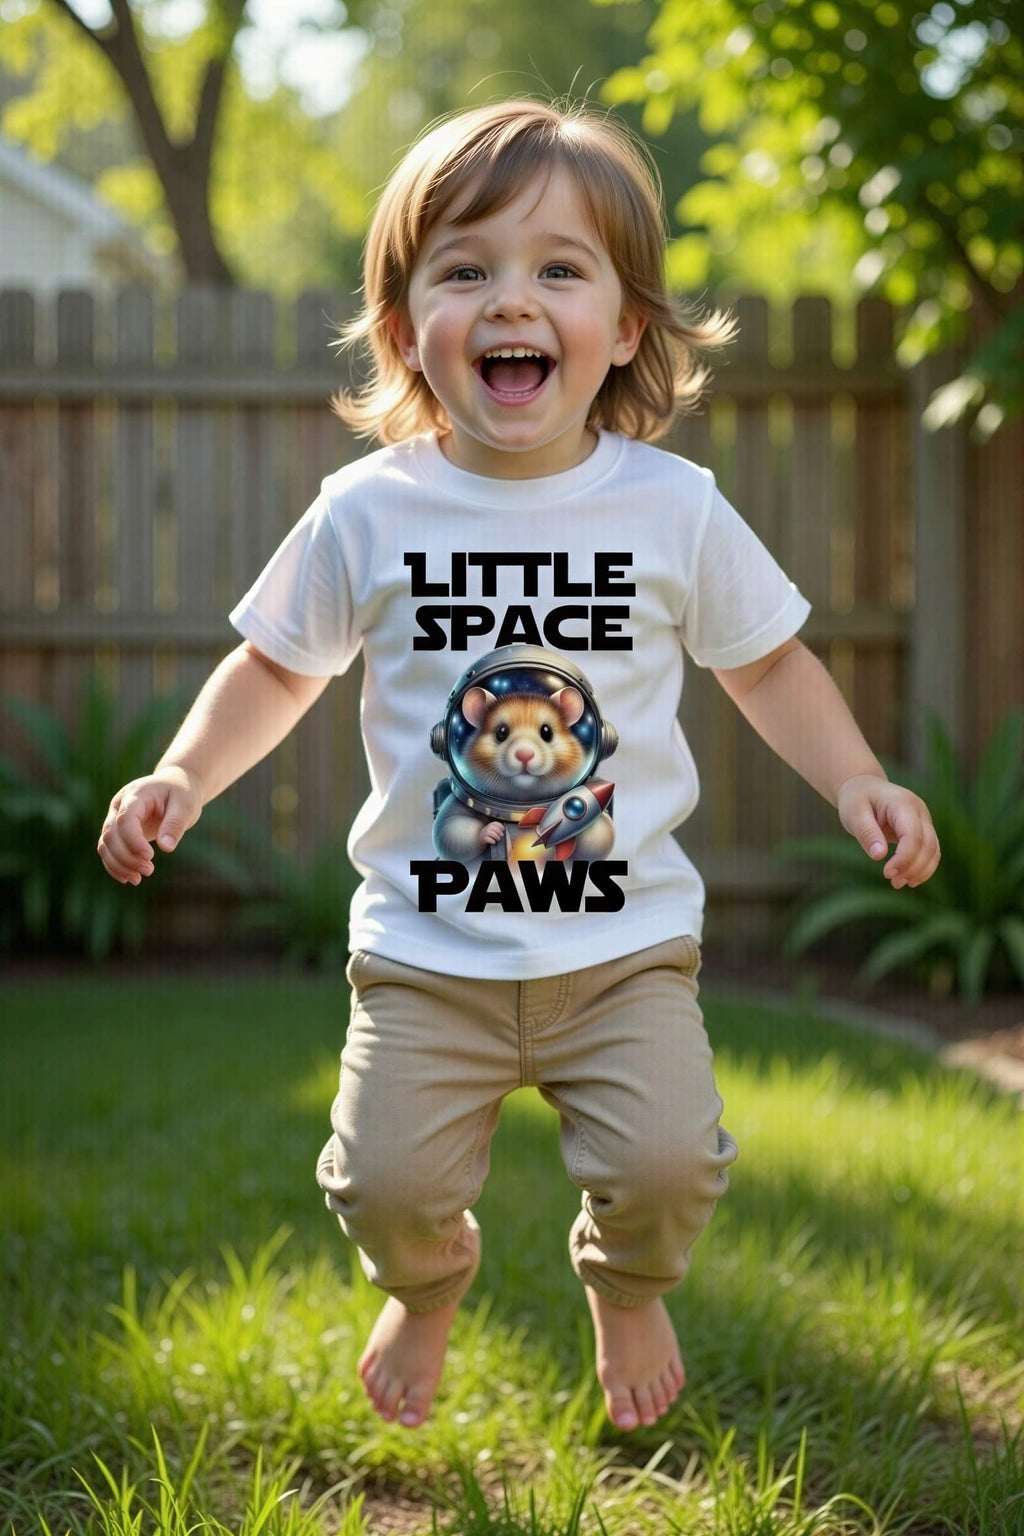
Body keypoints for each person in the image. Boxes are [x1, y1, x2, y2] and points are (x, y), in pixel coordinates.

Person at [97, 98, 940, 1435]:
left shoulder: (673, 507)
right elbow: (276, 665)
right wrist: (183, 776)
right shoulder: (370, 510)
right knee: (383, 1185)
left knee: (667, 1163)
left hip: (623, 951)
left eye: (560, 269)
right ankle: (427, 1287)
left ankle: (627, 1284)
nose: (514, 299)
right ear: (404, 326)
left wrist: (858, 781)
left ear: (625, 326)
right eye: (467, 269)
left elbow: (770, 661)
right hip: (428, 956)